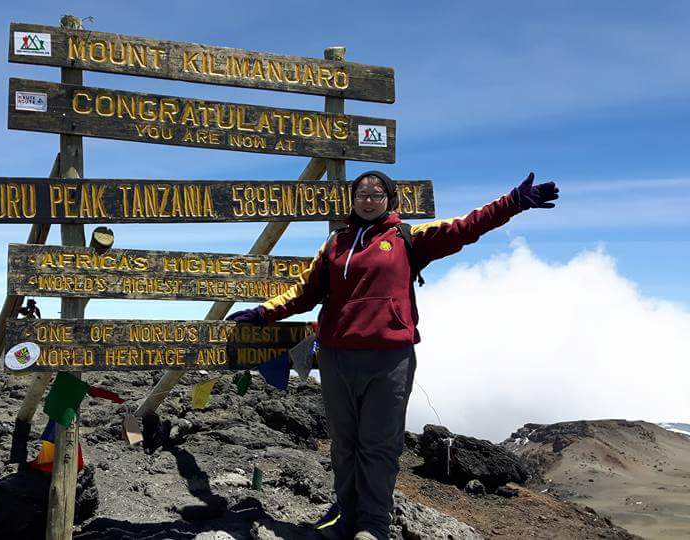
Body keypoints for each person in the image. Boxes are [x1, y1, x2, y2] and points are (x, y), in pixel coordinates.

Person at [227, 171, 559, 540]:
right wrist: (262, 313)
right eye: (361, 195)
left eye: (376, 194)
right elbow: (306, 292)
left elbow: (466, 227)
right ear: (352, 201)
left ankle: (373, 526)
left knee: (379, 446)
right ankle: (345, 520)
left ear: (390, 199)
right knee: (344, 445)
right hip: (337, 358)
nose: (368, 200)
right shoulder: (335, 244)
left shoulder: (407, 238)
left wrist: (511, 203)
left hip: (390, 359)